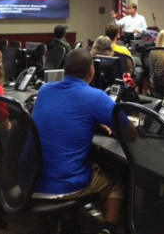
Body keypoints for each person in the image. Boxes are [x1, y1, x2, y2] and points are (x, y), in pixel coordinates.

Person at [32, 49, 135, 234]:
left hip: (32, 179)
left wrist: (96, 122)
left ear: (65, 69)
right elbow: (129, 134)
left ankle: (70, 221)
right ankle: (108, 229)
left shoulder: (45, 89)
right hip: (61, 186)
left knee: (70, 160)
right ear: (91, 71)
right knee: (115, 182)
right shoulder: (96, 97)